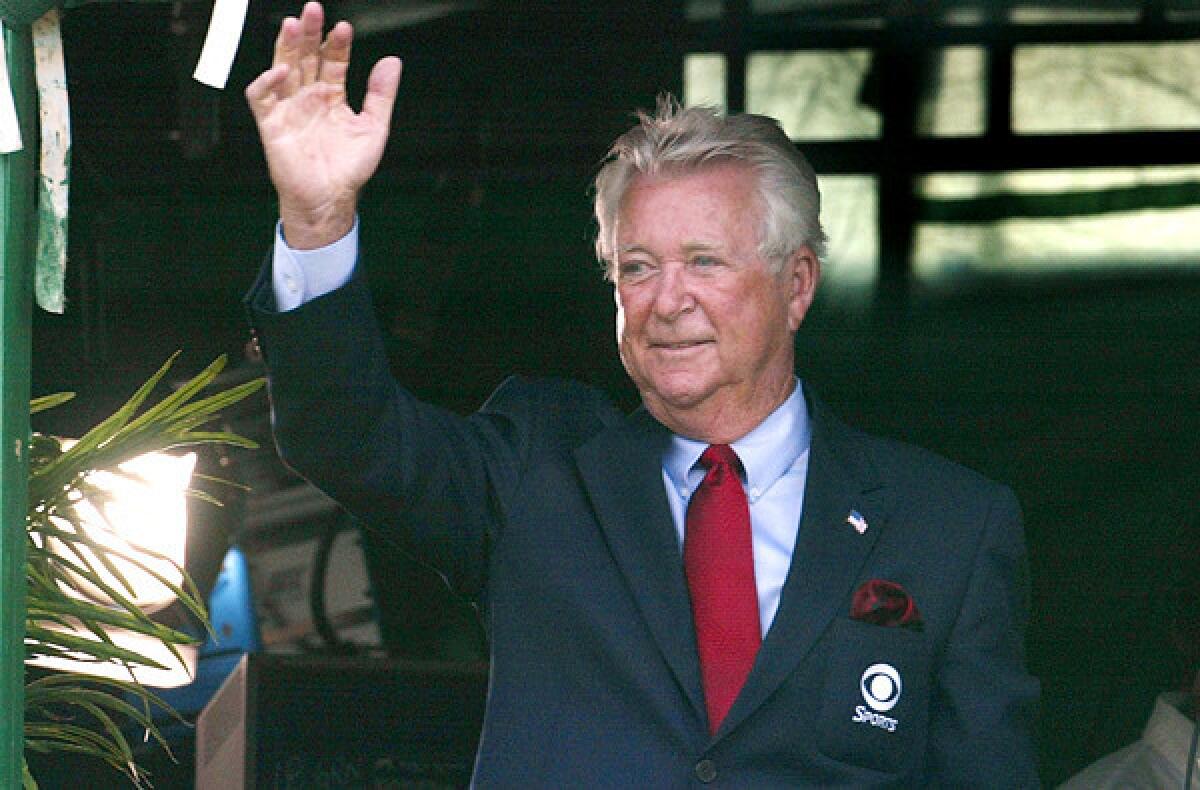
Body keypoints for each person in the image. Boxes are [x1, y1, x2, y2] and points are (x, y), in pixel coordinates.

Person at [243, 3, 1040, 785]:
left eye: (705, 261)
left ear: (797, 285)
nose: (667, 299)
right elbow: (344, 434)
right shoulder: (536, 470)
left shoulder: (949, 526)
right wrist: (317, 219)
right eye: (637, 266)